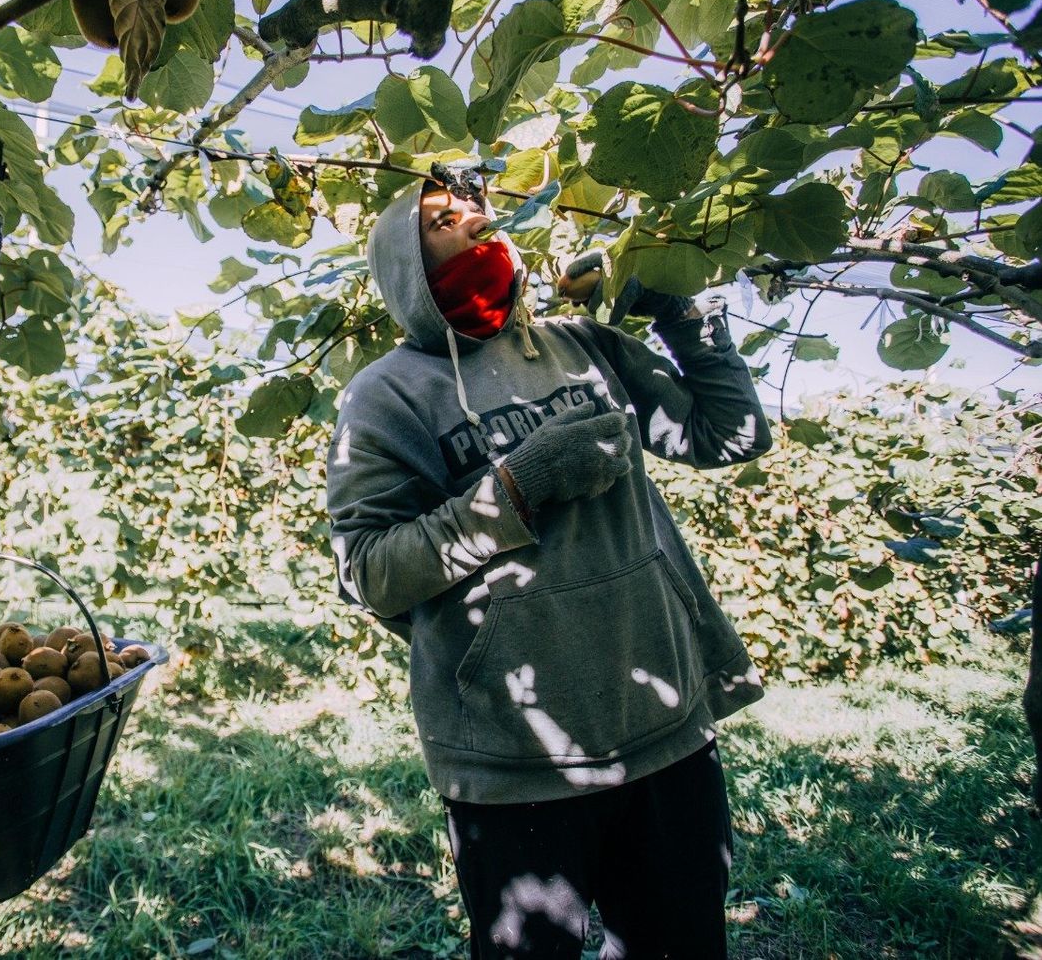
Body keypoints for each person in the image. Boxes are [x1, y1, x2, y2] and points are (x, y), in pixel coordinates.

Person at [325, 174, 773, 959]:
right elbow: (367, 570)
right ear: (404, 261)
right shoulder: (382, 395)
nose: (471, 216)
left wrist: (676, 305)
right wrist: (513, 490)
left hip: (661, 725)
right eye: (440, 217)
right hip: (513, 761)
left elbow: (728, 435)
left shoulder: (583, 347)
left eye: (474, 207)